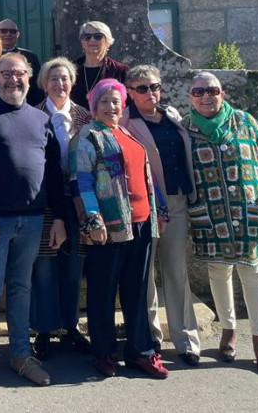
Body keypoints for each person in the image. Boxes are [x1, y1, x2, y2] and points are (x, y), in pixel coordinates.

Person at [0, 52, 66, 398]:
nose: (12, 79)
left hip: (33, 220)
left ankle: (21, 355)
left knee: (22, 289)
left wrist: (60, 217)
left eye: (19, 73)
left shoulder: (40, 119)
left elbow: (52, 174)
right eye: (5, 73)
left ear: (28, 77)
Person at [184, 72, 258, 376]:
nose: (206, 96)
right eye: (199, 91)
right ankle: (228, 331)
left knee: (253, 273)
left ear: (222, 93)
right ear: (190, 97)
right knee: (219, 272)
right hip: (210, 216)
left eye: (212, 90)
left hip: (247, 211)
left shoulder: (244, 121)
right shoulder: (185, 129)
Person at [69, 78, 169, 380]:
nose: (111, 107)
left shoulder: (126, 132)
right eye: (104, 102)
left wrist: (159, 208)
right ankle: (104, 351)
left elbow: (145, 175)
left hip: (141, 222)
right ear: (94, 106)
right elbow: (81, 181)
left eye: (116, 101)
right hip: (109, 226)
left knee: (137, 290)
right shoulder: (88, 137)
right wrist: (93, 219)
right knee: (102, 291)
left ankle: (141, 350)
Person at [119, 65, 201, 366]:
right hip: (146, 205)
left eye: (154, 86)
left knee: (177, 272)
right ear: (130, 92)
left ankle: (186, 340)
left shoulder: (171, 116)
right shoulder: (125, 121)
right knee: (145, 276)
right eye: (142, 88)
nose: (150, 93)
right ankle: (150, 337)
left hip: (177, 201)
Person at [29, 57, 92, 360]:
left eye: (65, 78)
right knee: (44, 266)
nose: (59, 83)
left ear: (73, 82)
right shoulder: (32, 116)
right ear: (43, 83)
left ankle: (70, 325)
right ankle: (42, 329)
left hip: (78, 200)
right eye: (53, 78)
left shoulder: (86, 116)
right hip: (44, 202)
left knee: (73, 267)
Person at [70, 21, 128, 110]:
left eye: (98, 36)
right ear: (82, 42)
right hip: (75, 121)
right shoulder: (71, 69)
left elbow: (127, 103)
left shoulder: (120, 70)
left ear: (107, 41)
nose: (92, 40)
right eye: (87, 37)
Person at [0, 18, 43, 104]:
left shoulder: (31, 57)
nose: (8, 34)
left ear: (17, 34)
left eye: (12, 31)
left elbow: (38, 87)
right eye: (3, 31)